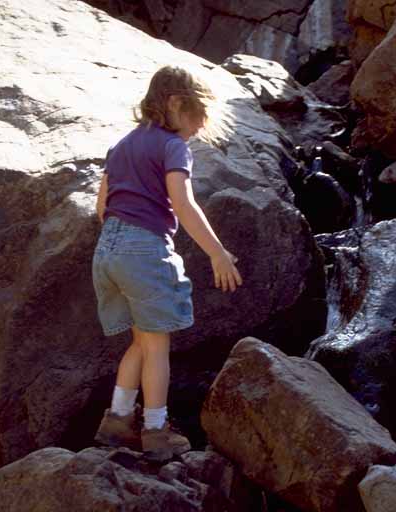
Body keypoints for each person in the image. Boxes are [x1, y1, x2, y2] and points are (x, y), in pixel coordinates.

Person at [92, 65, 243, 459]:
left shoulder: (122, 144)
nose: (197, 128)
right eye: (196, 117)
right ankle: (156, 430)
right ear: (176, 103)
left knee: (143, 340)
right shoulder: (172, 146)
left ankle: (118, 420)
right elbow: (183, 202)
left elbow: (100, 207)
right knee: (158, 346)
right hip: (144, 247)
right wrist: (216, 252)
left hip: (108, 249)